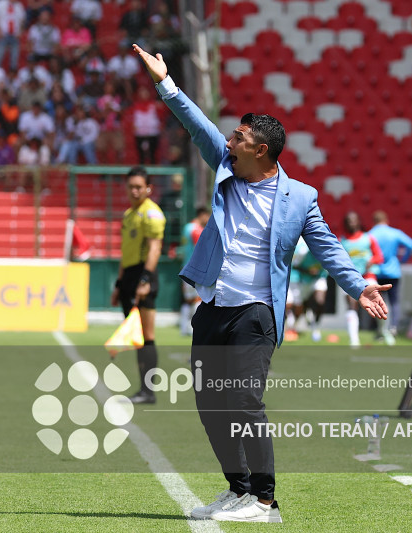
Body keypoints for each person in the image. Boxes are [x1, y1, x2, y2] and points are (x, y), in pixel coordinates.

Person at [133, 44, 390, 523]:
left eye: (239, 137)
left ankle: (266, 500)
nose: (229, 140)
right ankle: (239, 491)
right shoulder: (226, 166)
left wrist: (359, 287)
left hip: (257, 311)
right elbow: (198, 126)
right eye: (231, 135)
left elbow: (328, 247)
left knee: (244, 399)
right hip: (214, 306)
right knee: (210, 404)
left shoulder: (301, 197)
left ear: (262, 150)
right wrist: (164, 82)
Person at [110, 165, 165, 404]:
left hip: (144, 274)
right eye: (131, 186)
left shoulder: (151, 213)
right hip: (129, 277)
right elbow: (125, 253)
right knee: (136, 336)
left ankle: (148, 391)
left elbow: (154, 248)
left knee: (147, 336)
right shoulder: (128, 215)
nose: (134, 191)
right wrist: (120, 284)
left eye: (139, 187)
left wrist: (145, 280)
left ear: (148, 189)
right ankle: (143, 389)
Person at [340, 211, 387, 347]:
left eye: (354, 220)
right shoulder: (342, 240)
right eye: (349, 220)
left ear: (359, 221)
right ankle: (354, 339)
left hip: (368, 277)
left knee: (378, 303)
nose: (352, 223)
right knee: (351, 305)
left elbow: (379, 256)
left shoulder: (368, 238)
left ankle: (383, 331)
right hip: (351, 279)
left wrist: (371, 261)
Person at [368, 210, 412, 337]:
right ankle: (393, 327)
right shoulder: (395, 233)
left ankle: (380, 330)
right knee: (394, 301)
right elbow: (411, 245)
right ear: (386, 220)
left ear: (374, 221)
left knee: (377, 301)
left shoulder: (371, 234)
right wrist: (403, 259)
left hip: (377, 272)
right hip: (393, 271)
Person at [178, 206, 209, 336]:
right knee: (198, 299)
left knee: (188, 300)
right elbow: (200, 249)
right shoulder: (197, 230)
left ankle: (184, 328)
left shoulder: (186, 228)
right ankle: (193, 327)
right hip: (195, 269)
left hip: (185, 267)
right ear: (202, 215)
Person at [0, 0, 25, 72]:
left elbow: (23, 19)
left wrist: (20, 31)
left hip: (15, 35)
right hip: (3, 34)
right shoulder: (0, 3)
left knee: (14, 57)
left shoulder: (19, 5)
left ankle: (12, 76)